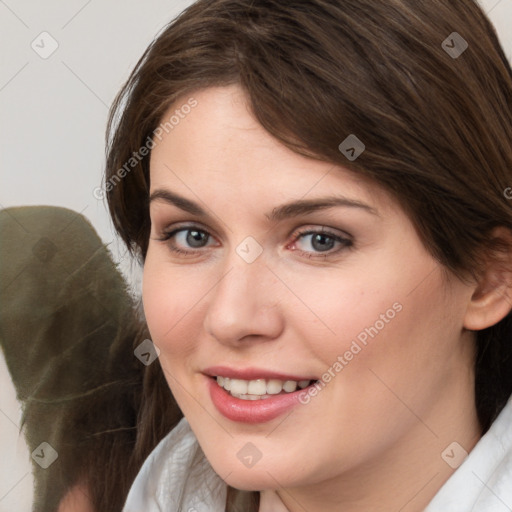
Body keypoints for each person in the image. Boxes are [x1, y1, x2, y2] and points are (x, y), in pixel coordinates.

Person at [107, 0, 512, 510]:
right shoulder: (160, 486)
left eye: (320, 240)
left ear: (488, 277)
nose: (231, 318)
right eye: (192, 235)